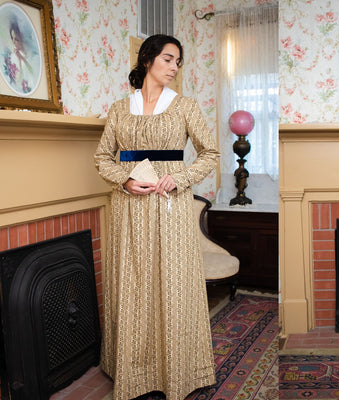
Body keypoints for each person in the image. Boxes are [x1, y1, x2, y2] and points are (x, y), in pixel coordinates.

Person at [94, 34, 219, 400]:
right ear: (148, 59)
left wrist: (179, 178)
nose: (174, 68)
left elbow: (210, 153)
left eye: (178, 62)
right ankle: (134, 371)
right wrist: (125, 179)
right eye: (168, 59)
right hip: (129, 206)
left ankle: (177, 370)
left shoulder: (185, 106)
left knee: (172, 282)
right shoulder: (119, 109)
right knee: (134, 282)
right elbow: (102, 157)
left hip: (170, 204)